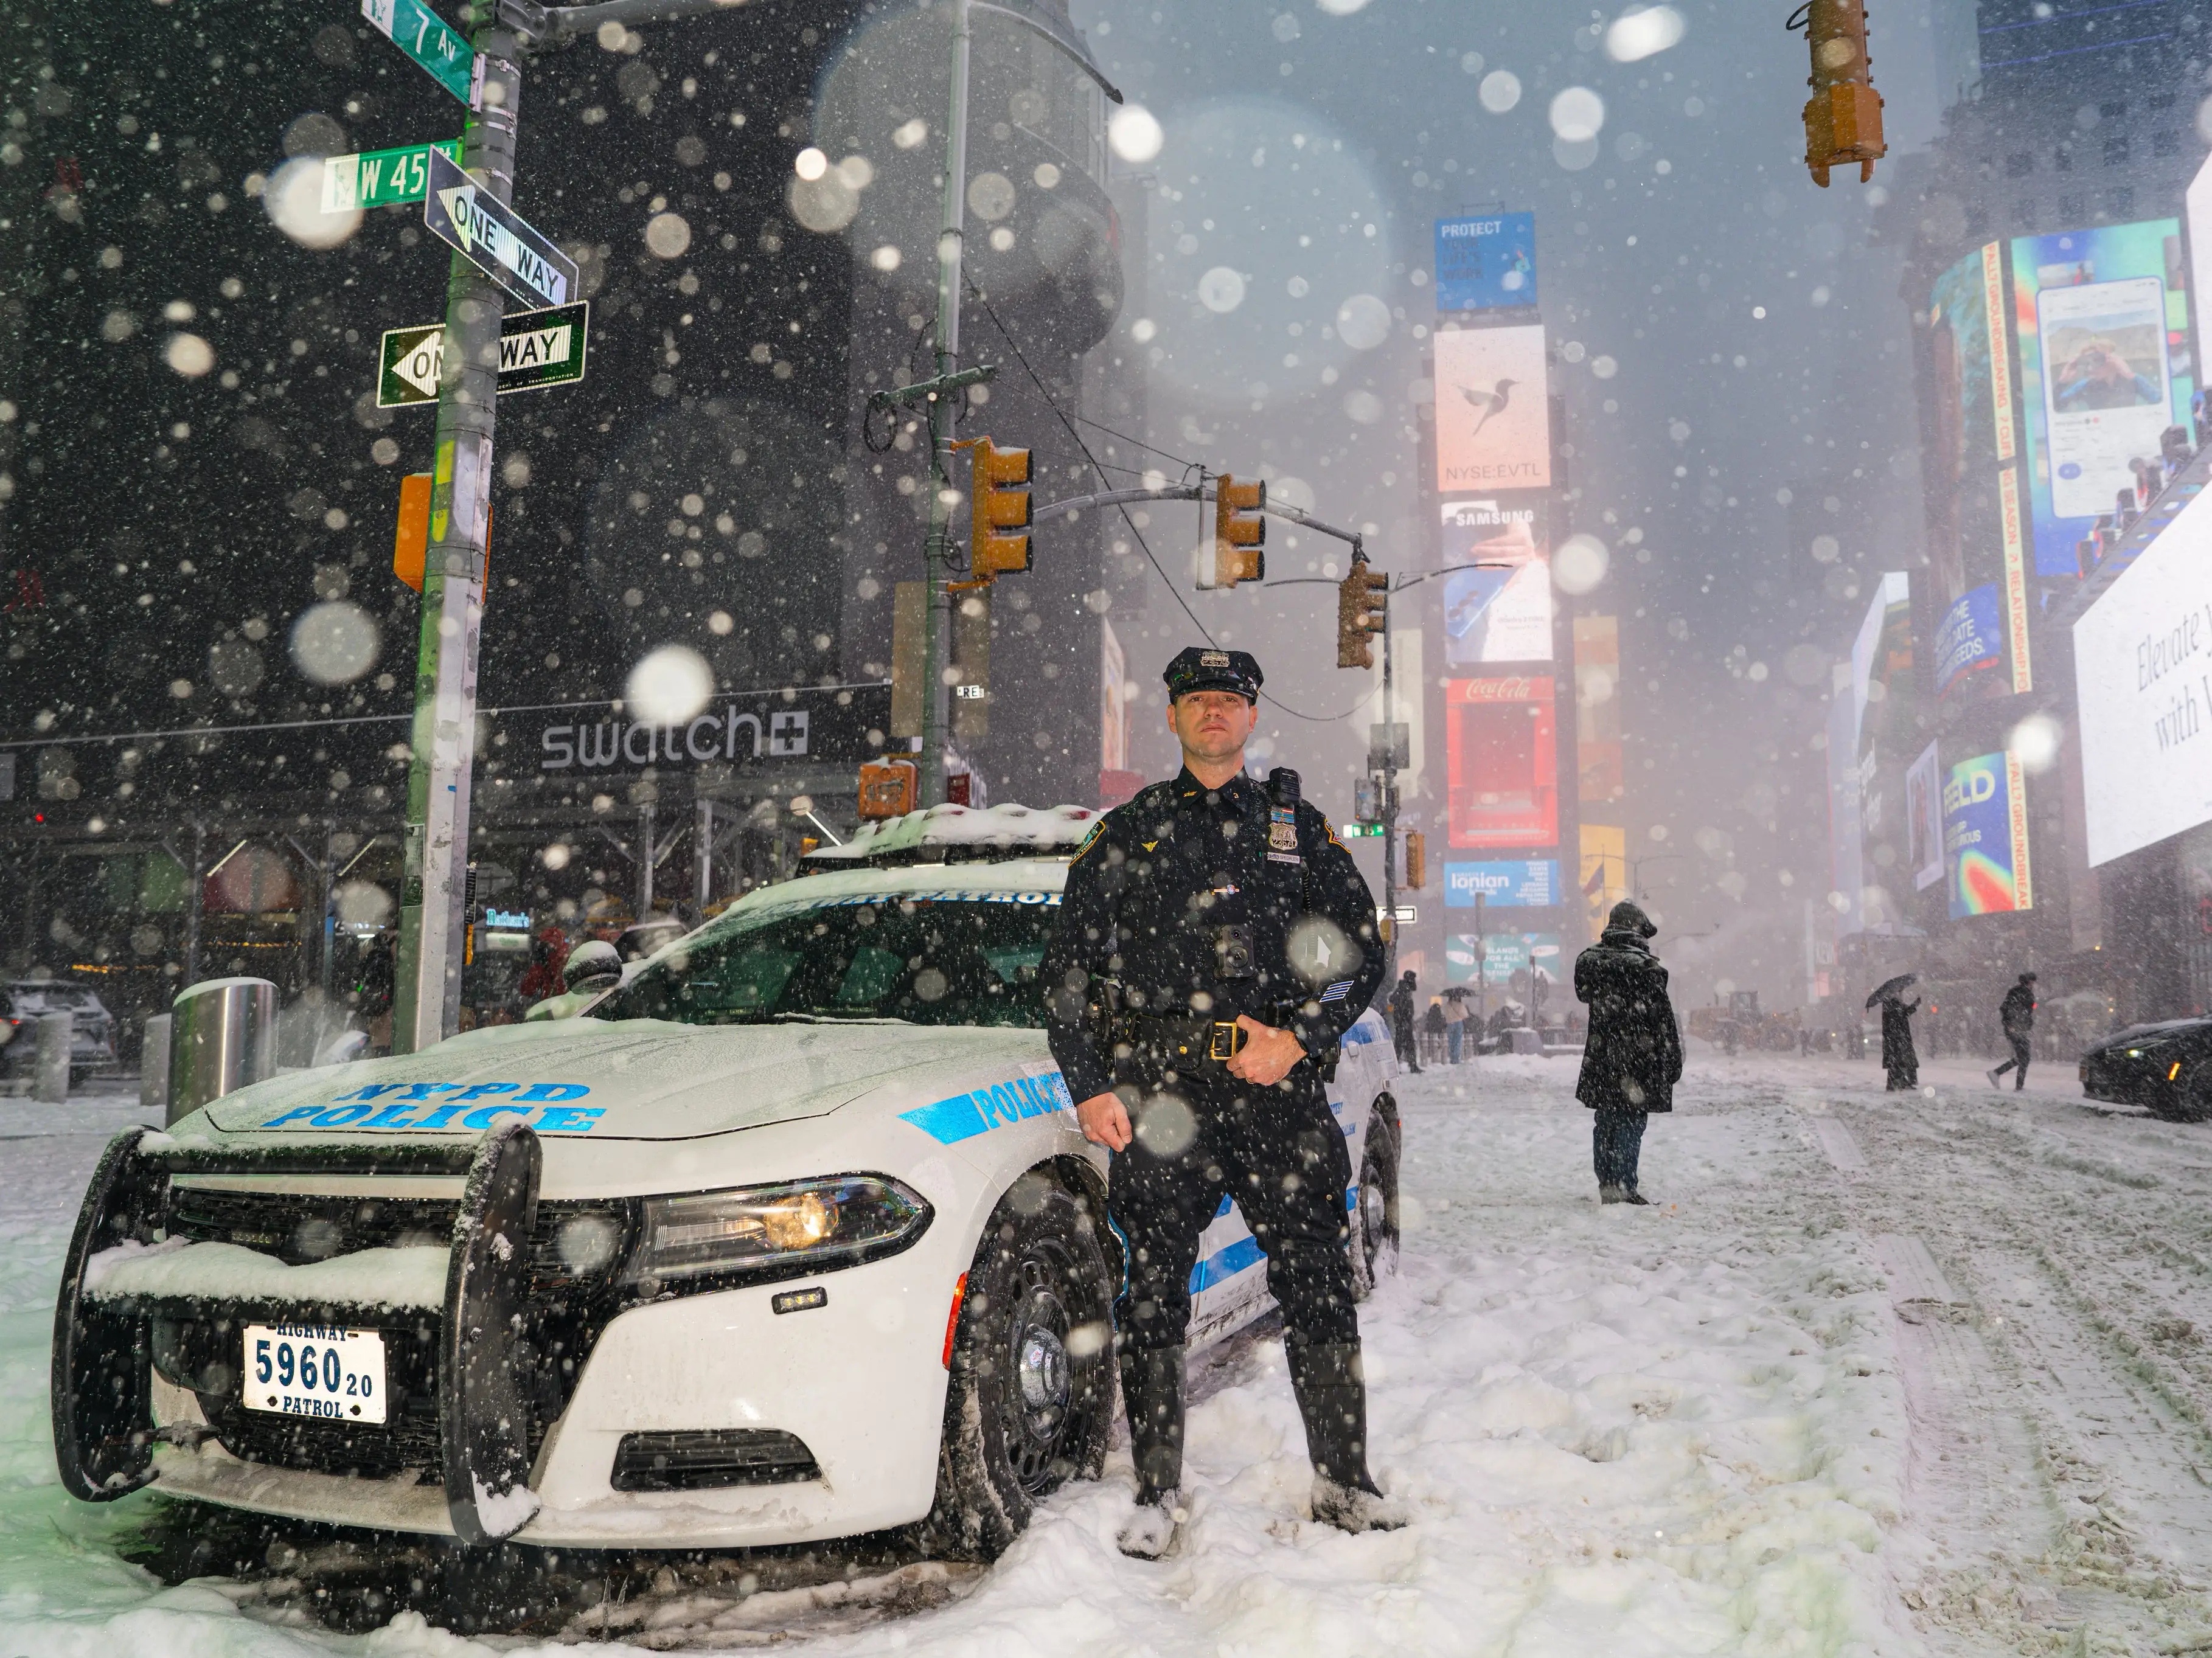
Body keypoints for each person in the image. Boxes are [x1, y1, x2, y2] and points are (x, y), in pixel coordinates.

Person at [1041, 645, 1402, 1559]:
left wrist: (1303, 1038)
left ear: (1249, 716)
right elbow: (1069, 972)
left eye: (1228, 700)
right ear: (1172, 716)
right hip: (1163, 1096)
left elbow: (1364, 948)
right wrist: (1089, 1084)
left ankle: (1346, 1481)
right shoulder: (1129, 832)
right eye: (1196, 699)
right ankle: (1158, 1492)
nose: (1212, 713)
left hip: (1275, 1088)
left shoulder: (1298, 828)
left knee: (1318, 1281)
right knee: (1153, 1288)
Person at [1573, 900, 1682, 1205]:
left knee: (1606, 1121)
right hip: (1639, 1061)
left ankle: (1608, 1184)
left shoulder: (1589, 962)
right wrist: (1673, 1060)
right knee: (1631, 1122)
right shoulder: (1646, 969)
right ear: (1638, 932)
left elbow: (1584, 994)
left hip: (1603, 1058)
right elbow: (1664, 1023)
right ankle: (1624, 1187)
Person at [1988, 971, 2037, 1091]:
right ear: (2030, 982)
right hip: (2016, 1029)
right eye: (2033, 982)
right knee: (2024, 1057)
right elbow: (2019, 1011)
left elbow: (2005, 1008)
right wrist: (2012, 1024)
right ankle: (2017, 1086)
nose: (2034, 985)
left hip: (2016, 1029)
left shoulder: (2017, 992)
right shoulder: (2024, 993)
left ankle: (1997, 1073)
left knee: (2022, 1057)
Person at [1879, 990, 1920, 1090]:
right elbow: (1902, 1016)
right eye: (1898, 994)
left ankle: (1902, 1082)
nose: (1900, 995)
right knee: (1898, 1062)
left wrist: (1915, 1004)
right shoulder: (1892, 1007)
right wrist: (1913, 1006)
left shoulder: (1895, 1007)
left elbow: (1906, 1012)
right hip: (1897, 1040)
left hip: (1898, 1039)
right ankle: (1897, 1083)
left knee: (1901, 1062)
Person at [1387, 969, 1422, 1073]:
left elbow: (1393, 1001)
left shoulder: (1405, 990)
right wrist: (1403, 1019)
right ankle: (1400, 1067)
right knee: (1401, 1045)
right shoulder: (1403, 990)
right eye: (1414, 979)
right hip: (1403, 1023)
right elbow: (1394, 1001)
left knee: (1406, 1045)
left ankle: (1412, 1066)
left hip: (1404, 1023)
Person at [1443, 986, 1469, 1064]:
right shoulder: (1459, 1005)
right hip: (1458, 1023)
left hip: (1449, 1023)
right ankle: (1456, 1058)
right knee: (1457, 1041)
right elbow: (1465, 1015)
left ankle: (1452, 1058)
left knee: (1451, 1041)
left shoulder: (1446, 1005)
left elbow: (1445, 1014)